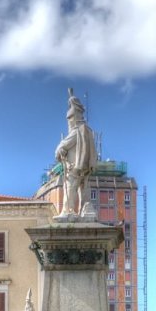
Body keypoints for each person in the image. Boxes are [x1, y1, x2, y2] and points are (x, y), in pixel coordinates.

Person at [54, 89, 98, 220]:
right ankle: (86, 211)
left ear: (72, 119)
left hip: (74, 167)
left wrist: (59, 151)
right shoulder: (88, 131)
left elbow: (62, 146)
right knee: (84, 191)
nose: (68, 122)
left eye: (69, 120)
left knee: (70, 188)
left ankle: (68, 211)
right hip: (85, 167)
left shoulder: (76, 131)